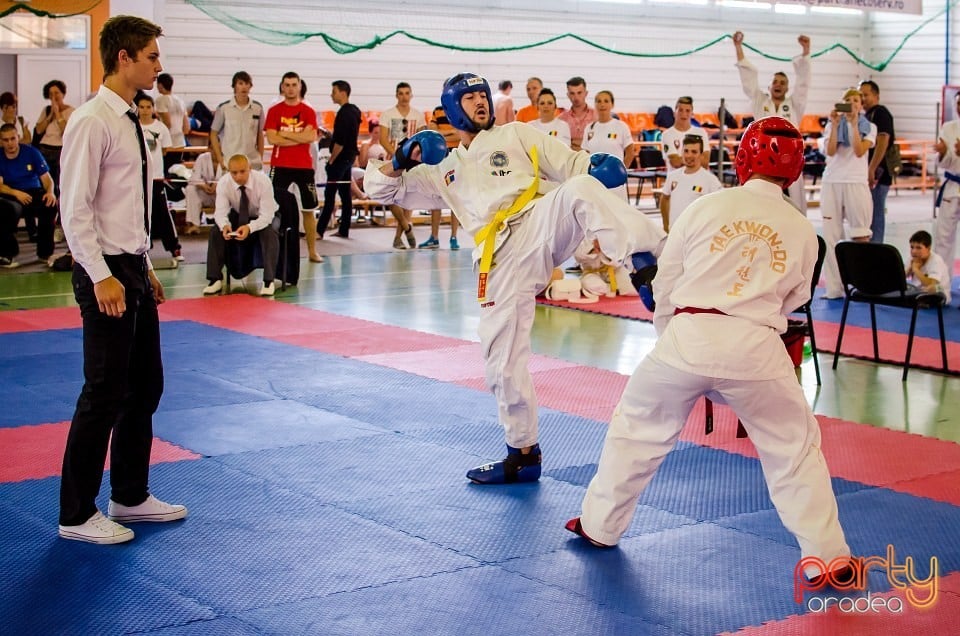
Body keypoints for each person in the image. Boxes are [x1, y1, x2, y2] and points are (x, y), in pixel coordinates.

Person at [566, 117, 852, 588]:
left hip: (689, 335)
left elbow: (668, 281)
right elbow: (796, 298)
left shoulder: (705, 207)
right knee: (793, 449)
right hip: (757, 348)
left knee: (636, 431)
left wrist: (669, 335)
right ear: (796, 169)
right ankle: (829, 556)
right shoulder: (802, 229)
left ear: (742, 159)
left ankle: (599, 527)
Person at [365, 72, 665, 484]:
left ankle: (650, 267)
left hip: (539, 223)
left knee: (579, 189)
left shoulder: (518, 134)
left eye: (482, 95)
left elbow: (575, 165)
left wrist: (597, 164)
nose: (479, 102)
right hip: (497, 260)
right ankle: (522, 454)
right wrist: (400, 159)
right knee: (501, 363)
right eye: (468, 98)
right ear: (453, 109)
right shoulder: (442, 168)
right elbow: (379, 190)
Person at [58, 15, 187, 545]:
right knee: (104, 392)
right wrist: (102, 274)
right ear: (124, 58)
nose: (159, 65)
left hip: (131, 266)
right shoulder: (92, 120)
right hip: (103, 270)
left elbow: (127, 207)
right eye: (152, 56)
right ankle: (75, 514)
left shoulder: (132, 119)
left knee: (144, 386)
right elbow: (75, 208)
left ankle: (129, 496)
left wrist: (145, 265)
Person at [733, 30, 811, 213]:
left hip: (788, 159)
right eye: (775, 81)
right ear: (769, 86)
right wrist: (738, 47)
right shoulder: (761, 101)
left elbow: (803, 84)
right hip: (763, 159)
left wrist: (806, 52)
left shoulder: (794, 105)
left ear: (787, 87)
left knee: (793, 206)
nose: (778, 84)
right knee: (761, 204)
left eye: (783, 82)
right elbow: (749, 80)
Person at [819, 88, 876, 299]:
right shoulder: (831, 125)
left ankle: (864, 284)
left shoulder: (869, 127)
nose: (852, 104)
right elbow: (832, 150)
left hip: (855, 181)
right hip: (832, 181)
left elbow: (859, 150)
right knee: (831, 235)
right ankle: (835, 287)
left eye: (856, 101)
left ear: (861, 106)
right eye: (848, 101)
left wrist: (852, 124)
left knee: (860, 233)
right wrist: (835, 125)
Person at [202, 154, 280, 297]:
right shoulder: (224, 183)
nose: (238, 176)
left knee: (269, 232)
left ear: (250, 168)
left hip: (266, 215)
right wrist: (224, 226)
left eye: (242, 171)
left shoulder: (263, 181)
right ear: (229, 171)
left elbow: (267, 216)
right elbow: (220, 212)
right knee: (215, 231)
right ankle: (214, 279)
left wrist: (250, 227)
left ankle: (269, 281)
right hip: (239, 214)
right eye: (234, 173)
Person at [264, 71, 321, 262]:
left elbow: (311, 137)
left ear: (299, 86)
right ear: (282, 87)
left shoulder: (308, 111)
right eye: (287, 85)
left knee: (309, 209)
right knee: (273, 207)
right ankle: (271, 251)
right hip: (280, 165)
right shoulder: (274, 111)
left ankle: (312, 251)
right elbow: (272, 138)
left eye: (294, 85)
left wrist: (285, 135)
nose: (290, 88)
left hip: (304, 167)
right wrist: (299, 137)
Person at [0, 123, 57, 268]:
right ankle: (7, 254)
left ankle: (45, 253)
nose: (10, 143)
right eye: (5, 140)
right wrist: (16, 193)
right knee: (6, 210)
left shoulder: (31, 152)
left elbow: (47, 179)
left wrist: (50, 192)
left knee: (49, 206)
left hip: (33, 192)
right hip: (10, 194)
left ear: (18, 137)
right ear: (1, 141)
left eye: (12, 138)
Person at [136, 92, 181, 262]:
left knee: (163, 212)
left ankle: (174, 247)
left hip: (156, 178)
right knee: (139, 214)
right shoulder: (134, 127)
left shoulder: (161, 128)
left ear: (153, 108)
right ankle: (142, 248)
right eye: (142, 107)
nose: (145, 110)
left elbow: (165, 150)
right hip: (138, 179)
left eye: (148, 107)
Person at [379, 82, 424, 250]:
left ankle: (399, 237)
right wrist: (398, 156)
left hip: (412, 163)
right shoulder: (387, 114)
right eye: (401, 93)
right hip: (393, 161)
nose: (404, 96)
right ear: (396, 95)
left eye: (407, 93)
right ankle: (407, 226)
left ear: (411, 95)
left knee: (407, 199)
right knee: (390, 197)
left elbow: (421, 138)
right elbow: (383, 138)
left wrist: (411, 157)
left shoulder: (418, 115)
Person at [317, 80, 362, 240]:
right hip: (349, 157)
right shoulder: (354, 111)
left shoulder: (344, 113)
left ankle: (319, 230)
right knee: (344, 193)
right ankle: (344, 229)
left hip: (341, 158)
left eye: (334, 91)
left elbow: (341, 142)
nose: (331, 94)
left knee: (330, 194)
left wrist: (331, 160)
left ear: (343, 92)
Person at [659, 135, 722, 232]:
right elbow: (664, 199)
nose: (689, 155)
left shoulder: (711, 180)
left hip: (697, 235)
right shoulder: (672, 176)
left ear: (701, 155)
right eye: (686, 151)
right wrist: (666, 226)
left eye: (694, 152)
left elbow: (719, 208)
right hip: (675, 234)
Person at [418, 106, 460, 250]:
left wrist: (443, 134)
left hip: (455, 157)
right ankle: (434, 237)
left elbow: (460, 135)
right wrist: (450, 132)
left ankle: (454, 237)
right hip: (439, 156)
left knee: (455, 198)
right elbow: (433, 133)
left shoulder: (459, 111)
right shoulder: (437, 111)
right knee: (436, 196)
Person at [859, 80, 896, 243]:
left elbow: (883, 141)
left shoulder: (880, 113)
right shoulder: (864, 117)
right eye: (860, 95)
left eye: (866, 95)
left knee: (875, 213)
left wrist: (872, 168)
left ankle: (876, 248)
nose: (862, 99)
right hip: (868, 172)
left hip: (878, 174)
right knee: (868, 213)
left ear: (876, 96)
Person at [582, 90, 636, 201]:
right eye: (599, 101)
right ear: (595, 104)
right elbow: (585, 154)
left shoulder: (621, 126)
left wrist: (621, 171)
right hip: (595, 181)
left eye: (606, 101)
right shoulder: (589, 128)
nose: (602, 104)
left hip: (615, 183)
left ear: (612, 104)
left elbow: (630, 151)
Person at [209, 70, 265, 173]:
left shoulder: (258, 108)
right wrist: (220, 158)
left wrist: (260, 156)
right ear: (234, 86)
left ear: (250, 86)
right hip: (230, 162)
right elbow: (213, 133)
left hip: (252, 163)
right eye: (240, 83)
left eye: (247, 83)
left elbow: (260, 134)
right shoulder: (224, 108)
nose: (244, 87)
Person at [934, 90, 960, 294]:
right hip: (952, 185)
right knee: (943, 238)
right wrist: (944, 153)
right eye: (958, 103)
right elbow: (946, 162)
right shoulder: (948, 127)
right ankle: (941, 288)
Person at [34, 79, 75, 194]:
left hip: (59, 149)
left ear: (63, 94)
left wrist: (57, 113)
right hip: (44, 148)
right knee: (44, 181)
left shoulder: (72, 111)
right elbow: (38, 130)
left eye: (56, 93)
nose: (54, 96)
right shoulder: (46, 110)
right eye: (51, 94)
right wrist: (51, 114)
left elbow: (66, 131)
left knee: (58, 181)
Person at [661, 96, 710, 170]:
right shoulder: (667, 135)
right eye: (680, 110)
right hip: (677, 179)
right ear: (674, 113)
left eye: (687, 111)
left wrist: (683, 160)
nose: (684, 114)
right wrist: (697, 159)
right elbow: (675, 162)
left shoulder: (701, 133)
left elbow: (705, 162)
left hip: (698, 179)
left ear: (692, 114)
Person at [905, 230, 950, 303]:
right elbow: (900, 278)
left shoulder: (936, 260)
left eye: (918, 248)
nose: (914, 251)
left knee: (932, 288)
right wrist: (909, 269)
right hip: (918, 291)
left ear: (928, 248)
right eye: (912, 247)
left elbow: (931, 284)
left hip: (939, 292)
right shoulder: (913, 257)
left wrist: (916, 269)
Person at [184, 151, 220, 233]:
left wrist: (218, 185)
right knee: (190, 189)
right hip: (204, 194)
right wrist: (203, 185)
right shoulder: (202, 158)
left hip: (219, 195)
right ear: (210, 148)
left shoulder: (227, 158)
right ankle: (194, 225)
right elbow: (194, 178)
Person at [558, 76, 596, 151]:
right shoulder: (561, 119)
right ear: (568, 95)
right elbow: (561, 143)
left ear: (586, 93)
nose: (576, 97)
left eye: (579, 93)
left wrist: (572, 142)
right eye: (572, 93)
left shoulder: (597, 117)